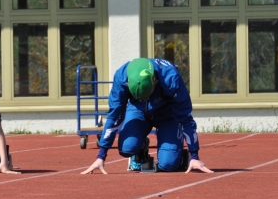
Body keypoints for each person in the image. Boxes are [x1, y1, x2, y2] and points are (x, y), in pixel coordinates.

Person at [81, 57, 213, 175]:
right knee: (127, 148)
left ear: (155, 81)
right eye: (141, 97)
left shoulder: (171, 78)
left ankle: (179, 155)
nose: (145, 99)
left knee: (169, 164)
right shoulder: (121, 77)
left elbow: (185, 117)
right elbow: (114, 116)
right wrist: (101, 156)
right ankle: (141, 148)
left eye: (146, 96)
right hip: (138, 110)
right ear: (128, 83)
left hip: (167, 114)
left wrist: (194, 156)